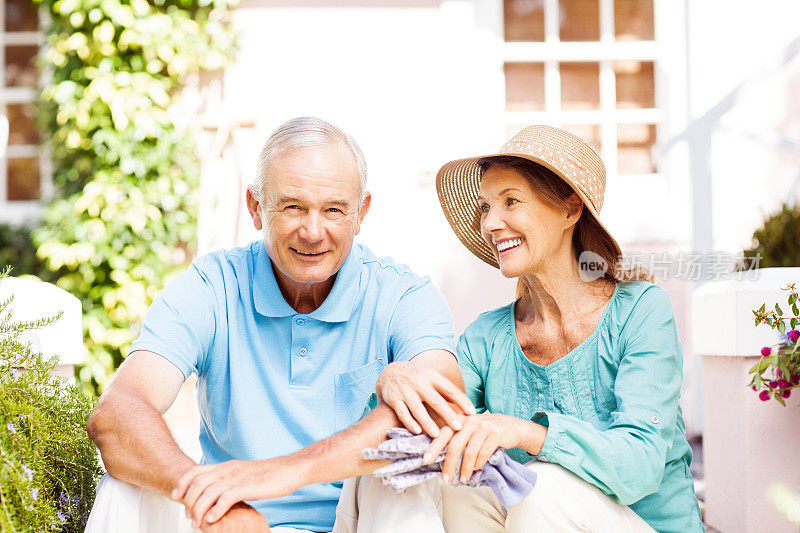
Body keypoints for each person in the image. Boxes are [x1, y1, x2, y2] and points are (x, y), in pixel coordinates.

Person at [85, 116, 474, 533]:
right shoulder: (210, 286)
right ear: (256, 207)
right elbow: (119, 411)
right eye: (293, 207)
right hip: (232, 521)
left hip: (356, 520)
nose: (312, 231)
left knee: (403, 483)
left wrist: (283, 473)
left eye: (333, 210)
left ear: (360, 214)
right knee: (122, 487)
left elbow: (443, 406)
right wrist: (206, 496)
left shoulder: (403, 295)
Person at [426, 125, 704, 532]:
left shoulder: (642, 311)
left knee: (545, 485)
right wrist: (397, 380)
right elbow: (429, 419)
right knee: (460, 483)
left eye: (511, 201)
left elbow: (641, 464)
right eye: (485, 207)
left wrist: (529, 434)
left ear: (570, 210)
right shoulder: (486, 338)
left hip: (648, 526)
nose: (491, 222)